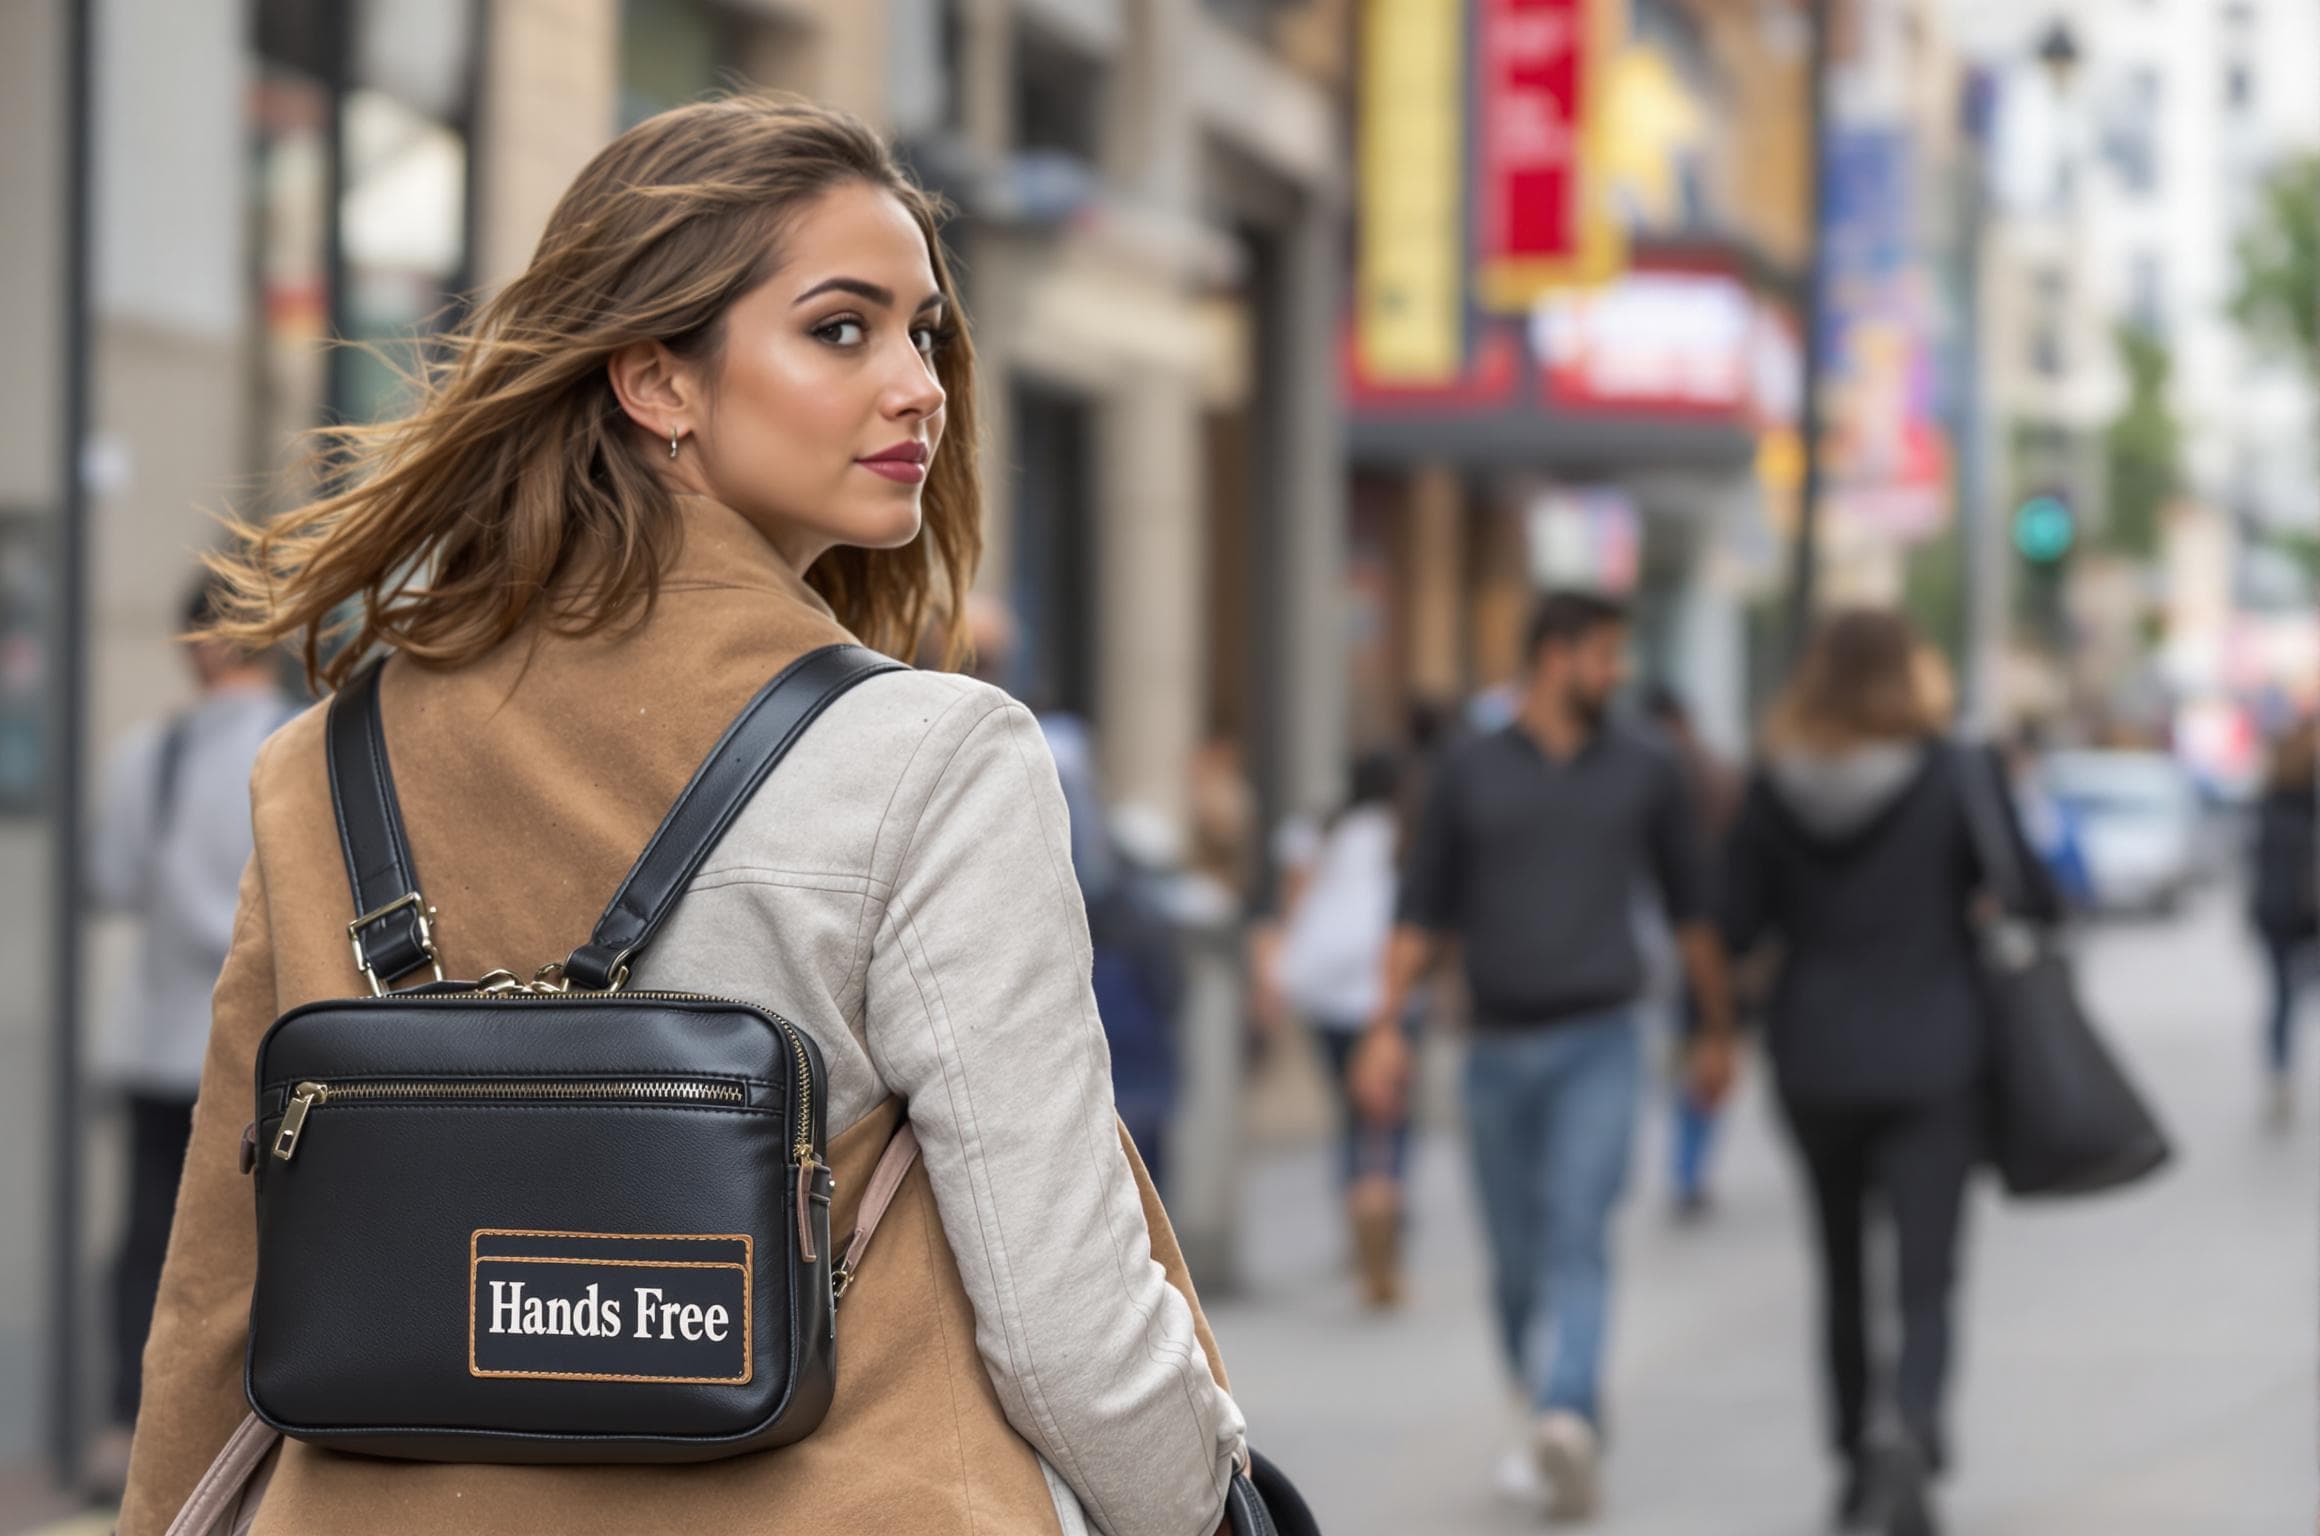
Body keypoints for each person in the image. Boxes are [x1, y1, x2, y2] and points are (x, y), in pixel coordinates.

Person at [117, 93, 1245, 1536]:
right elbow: (1062, 1311)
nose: (919, 386)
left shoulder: (327, 763)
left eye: (925, 333)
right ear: (657, 381)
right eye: (842, 329)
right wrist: (1214, 1503)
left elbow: (220, 1293)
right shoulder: (930, 754)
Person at [1351, 591, 1738, 1523]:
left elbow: (1692, 912)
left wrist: (1716, 1031)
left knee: (1579, 1230)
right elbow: (1420, 911)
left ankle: (1565, 1414)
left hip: (1605, 1038)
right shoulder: (1470, 770)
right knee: (1516, 1258)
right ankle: (1552, 1405)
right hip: (1494, 1049)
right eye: (1604, 656)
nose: (1617, 673)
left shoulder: (1646, 766)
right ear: (1555, 657)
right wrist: (1384, 1026)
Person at [1721, 611, 2060, 1536]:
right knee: (1927, 1273)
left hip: (1816, 1060)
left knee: (1838, 1268)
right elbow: (2035, 893)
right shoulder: (1958, 770)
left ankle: (1849, 1457)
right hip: (1934, 1056)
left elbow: (1736, 924)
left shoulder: (1772, 783)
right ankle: (1910, 1429)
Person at [84, 577, 295, 1488]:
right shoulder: (305, 740)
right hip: (267, 1049)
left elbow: (112, 879)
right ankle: (253, 1431)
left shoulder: (148, 753)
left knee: (150, 1240)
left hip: (162, 1041)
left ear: (197, 644)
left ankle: (133, 1434)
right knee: (261, 1238)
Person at [1276, 751, 1418, 1307]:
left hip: (1325, 988)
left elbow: (1294, 901)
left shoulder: (1320, 829)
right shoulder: (1401, 832)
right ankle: (1387, 1212)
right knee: (1391, 1111)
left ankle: (1356, 1212)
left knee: (1349, 1107)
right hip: (1388, 985)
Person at [1637, 684, 1743, 1220]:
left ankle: (1686, 1167)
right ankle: (1688, 1167)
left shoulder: (1647, 773)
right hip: (1703, 933)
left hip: (1676, 932)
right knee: (1703, 1041)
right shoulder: (1713, 771)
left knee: (1696, 1043)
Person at [2250, 717, 2318, 1125]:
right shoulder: (2281, 801)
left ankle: (2280, 1077)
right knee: (2282, 1001)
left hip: (2287, 915)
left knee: (2284, 1001)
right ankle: (2280, 1077)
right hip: (2286, 918)